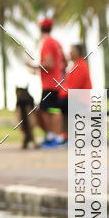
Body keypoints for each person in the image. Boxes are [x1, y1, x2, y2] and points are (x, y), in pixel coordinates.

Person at [26, 18, 67, 147]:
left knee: (49, 110)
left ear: (40, 29)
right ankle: (53, 136)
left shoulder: (47, 42)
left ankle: (56, 136)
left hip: (50, 84)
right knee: (48, 109)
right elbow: (63, 62)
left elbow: (48, 64)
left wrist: (32, 66)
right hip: (56, 82)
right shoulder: (56, 42)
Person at [58, 43, 92, 139]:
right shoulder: (76, 65)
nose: (69, 53)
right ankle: (66, 134)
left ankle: (67, 135)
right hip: (77, 98)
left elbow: (74, 88)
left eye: (71, 50)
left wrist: (61, 93)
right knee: (60, 104)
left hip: (81, 100)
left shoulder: (80, 66)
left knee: (60, 103)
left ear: (77, 53)